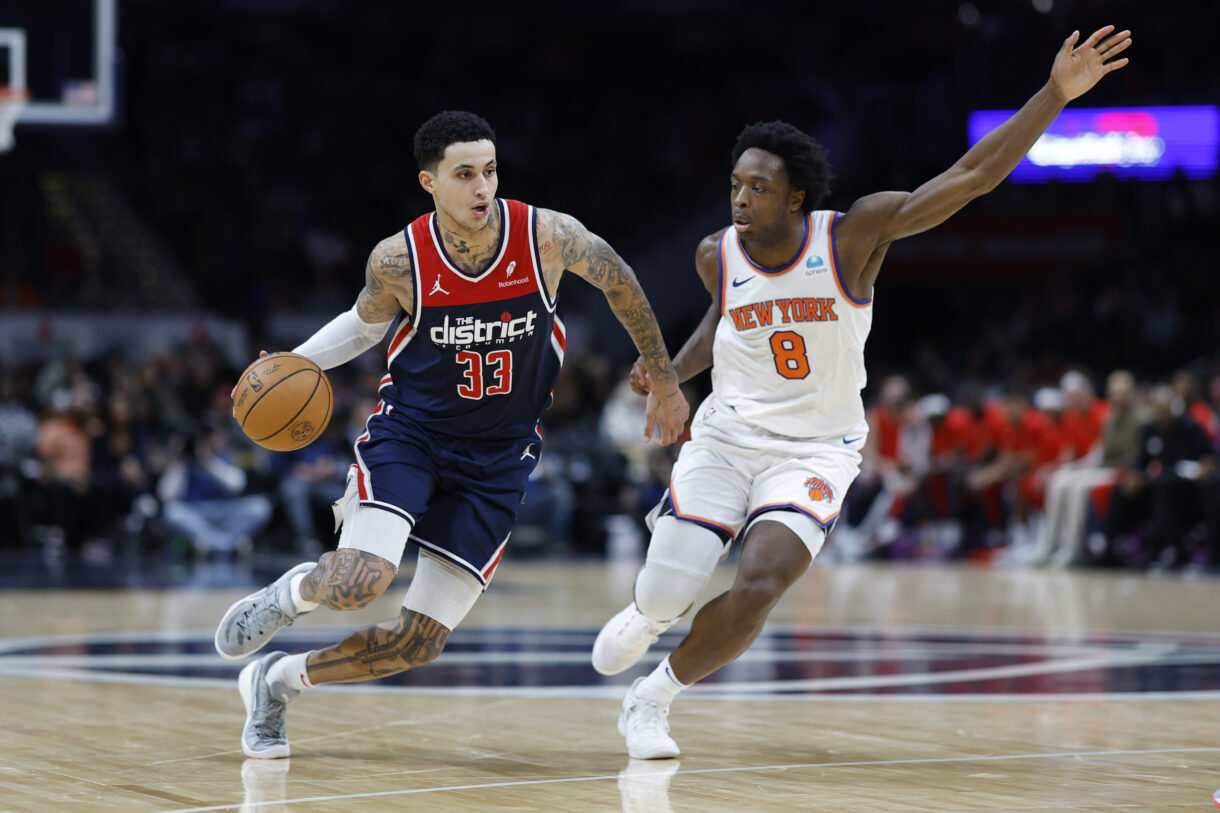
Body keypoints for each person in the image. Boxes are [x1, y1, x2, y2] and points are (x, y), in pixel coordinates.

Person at [591, 26, 1131, 759]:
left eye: (760, 187)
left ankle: (652, 698)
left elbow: (970, 176)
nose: (742, 199)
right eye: (735, 185)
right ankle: (651, 613)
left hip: (817, 447)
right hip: (727, 436)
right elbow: (725, 323)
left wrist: (1054, 95)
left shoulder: (851, 237)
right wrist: (668, 371)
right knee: (666, 588)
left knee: (763, 582)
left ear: (797, 197)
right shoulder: (715, 253)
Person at [213, 110, 689, 759]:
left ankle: (274, 682)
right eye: (464, 173)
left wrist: (664, 379)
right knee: (360, 580)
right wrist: (292, 362)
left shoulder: (546, 237)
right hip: (413, 437)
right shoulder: (398, 260)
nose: (482, 186)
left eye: (490, 170)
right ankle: (293, 592)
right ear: (429, 182)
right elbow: (361, 327)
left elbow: (620, 282)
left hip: (498, 459)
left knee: (418, 643)